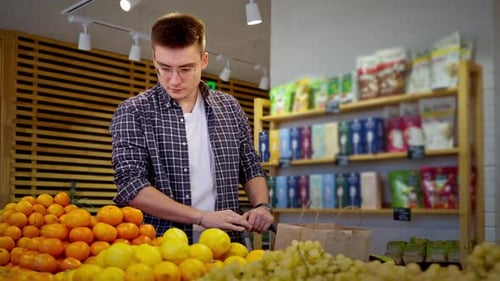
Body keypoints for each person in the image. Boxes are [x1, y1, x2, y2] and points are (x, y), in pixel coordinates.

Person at [110, 12, 274, 243]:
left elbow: (250, 165)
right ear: (155, 59)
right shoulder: (134, 111)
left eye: (186, 69)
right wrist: (201, 217)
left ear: (204, 61)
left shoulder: (230, 107)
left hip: (229, 243)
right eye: (165, 68)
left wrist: (261, 205)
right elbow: (131, 185)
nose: (174, 80)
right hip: (162, 248)